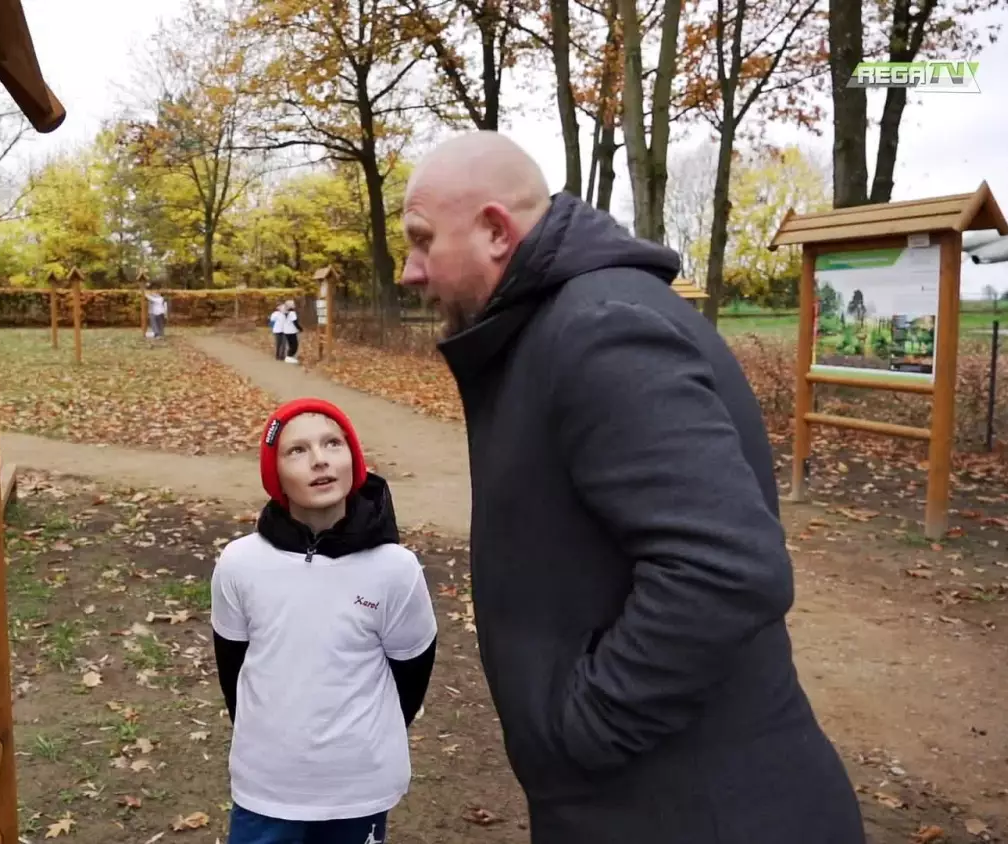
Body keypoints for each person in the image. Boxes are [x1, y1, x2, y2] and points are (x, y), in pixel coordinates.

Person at [397, 130, 865, 844]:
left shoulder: (597, 329)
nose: (409, 269)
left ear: (495, 230)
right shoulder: (555, 325)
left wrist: (582, 733)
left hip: (697, 811)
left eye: (423, 240)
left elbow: (725, 570)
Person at [212, 398, 438, 844]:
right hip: (267, 789)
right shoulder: (240, 563)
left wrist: (362, 742)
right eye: (297, 450)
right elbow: (232, 669)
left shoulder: (395, 569)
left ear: (353, 459)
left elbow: (410, 676)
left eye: (333, 443)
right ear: (274, 475)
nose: (320, 460)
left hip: (358, 789)